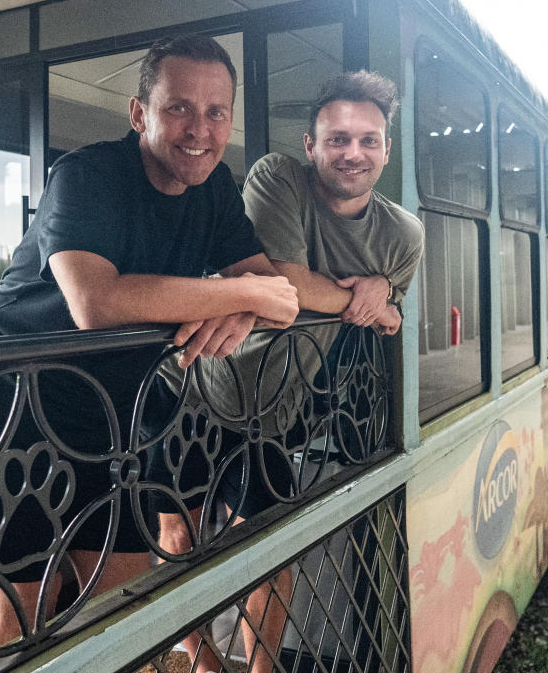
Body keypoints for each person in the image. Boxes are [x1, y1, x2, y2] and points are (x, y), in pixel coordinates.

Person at [0, 34, 299, 649]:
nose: (200, 129)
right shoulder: (86, 175)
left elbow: (271, 288)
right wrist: (241, 295)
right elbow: (96, 303)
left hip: (109, 409)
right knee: (23, 618)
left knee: (123, 614)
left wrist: (246, 301)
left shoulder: (214, 189)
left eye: (217, 112)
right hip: (14, 402)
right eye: (179, 107)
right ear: (138, 113)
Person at [159, 70, 424, 673]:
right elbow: (277, 279)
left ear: (386, 147)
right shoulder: (276, 176)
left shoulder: (404, 234)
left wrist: (384, 298)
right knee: (180, 537)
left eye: (368, 139)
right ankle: (201, 660)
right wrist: (368, 299)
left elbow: (393, 319)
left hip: (273, 410)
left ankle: (261, 668)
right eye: (337, 138)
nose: (352, 153)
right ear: (311, 145)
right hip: (192, 383)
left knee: (272, 550)